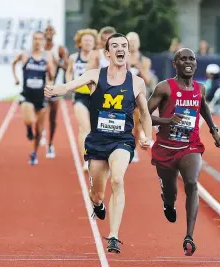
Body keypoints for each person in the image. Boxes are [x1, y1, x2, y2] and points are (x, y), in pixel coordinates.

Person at [45, 33, 152, 253]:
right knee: (97, 193)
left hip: (122, 140)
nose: (120, 49)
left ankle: (113, 235)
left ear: (128, 53)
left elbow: (145, 112)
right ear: (107, 53)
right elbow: (71, 85)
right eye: (115, 46)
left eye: (124, 46)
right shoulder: (95, 74)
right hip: (98, 140)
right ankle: (97, 205)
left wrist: (146, 136)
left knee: (118, 179)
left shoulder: (137, 82)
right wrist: (57, 89)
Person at [147, 48, 220, 256]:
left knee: (191, 182)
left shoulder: (200, 88)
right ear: (175, 64)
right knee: (171, 194)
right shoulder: (165, 88)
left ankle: (189, 235)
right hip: (165, 147)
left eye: (192, 59)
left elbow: (203, 107)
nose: (188, 62)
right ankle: (168, 201)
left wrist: (214, 130)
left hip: (190, 145)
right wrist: (166, 120)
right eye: (183, 59)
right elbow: (144, 115)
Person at [12, 31, 54, 165]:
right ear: (32, 40)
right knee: (29, 119)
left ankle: (34, 153)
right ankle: (28, 128)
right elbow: (13, 63)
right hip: (27, 95)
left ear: (43, 41)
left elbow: (52, 75)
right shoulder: (25, 55)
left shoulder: (47, 56)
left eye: (40, 39)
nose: (37, 41)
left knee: (39, 129)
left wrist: (49, 69)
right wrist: (16, 78)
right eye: (35, 39)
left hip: (41, 97)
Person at [66, 29, 98, 171]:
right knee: (84, 128)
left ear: (94, 43)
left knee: (96, 130)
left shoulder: (98, 56)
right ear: (80, 42)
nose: (87, 43)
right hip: (80, 96)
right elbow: (68, 72)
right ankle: (86, 160)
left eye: (90, 40)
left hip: (96, 96)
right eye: (85, 40)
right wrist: (69, 85)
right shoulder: (74, 57)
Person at [43, 25, 69, 158]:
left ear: (54, 33)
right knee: (39, 114)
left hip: (53, 87)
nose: (48, 32)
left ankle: (50, 144)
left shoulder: (59, 49)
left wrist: (57, 63)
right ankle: (40, 130)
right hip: (40, 87)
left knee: (52, 118)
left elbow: (67, 67)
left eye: (51, 30)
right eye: (46, 30)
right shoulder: (39, 48)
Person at [126, 32, 152, 162]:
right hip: (123, 95)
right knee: (125, 124)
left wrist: (139, 68)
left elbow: (147, 80)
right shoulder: (121, 57)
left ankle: (133, 148)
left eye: (134, 41)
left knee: (137, 125)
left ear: (139, 43)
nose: (132, 43)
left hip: (138, 96)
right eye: (130, 41)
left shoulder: (145, 60)